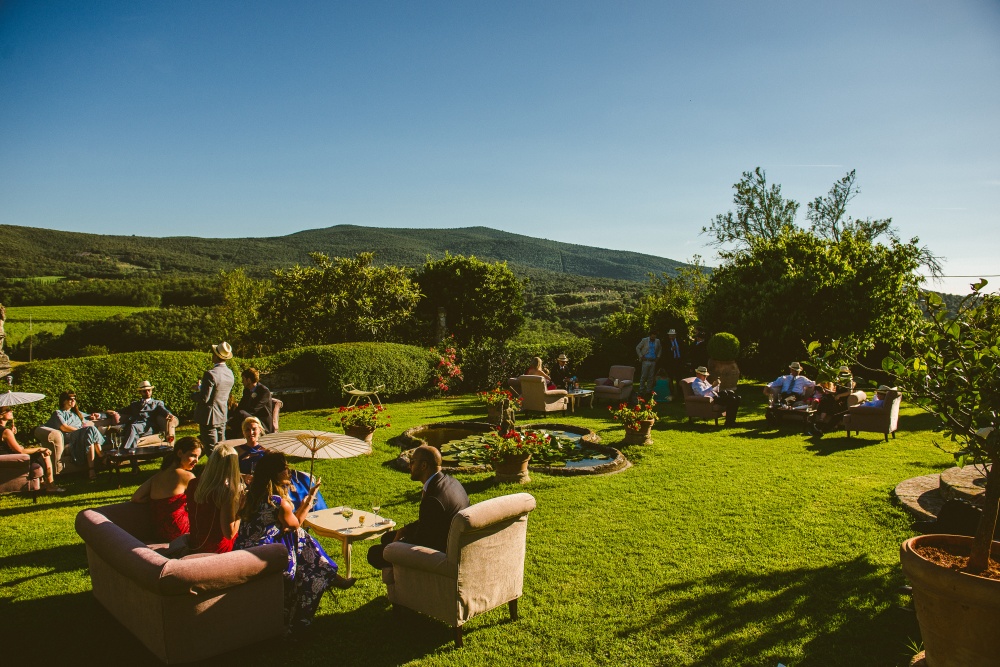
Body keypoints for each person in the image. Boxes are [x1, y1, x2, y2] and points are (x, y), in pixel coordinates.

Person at [235, 452, 355, 630]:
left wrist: (286, 524)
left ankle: (329, 573)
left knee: (296, 534)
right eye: (284, 468)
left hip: (244, 549)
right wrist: (309, 500)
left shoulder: (249, 496)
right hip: (265, 555)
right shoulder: (277, 502)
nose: (288, 471)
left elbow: (278, 525)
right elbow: (296, 523)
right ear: (274, 473)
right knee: (299, 534)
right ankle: (327, 575)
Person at [367, 444, 470, 570]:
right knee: (386, 537)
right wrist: (404, 530)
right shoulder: (450, 482)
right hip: (446, 538)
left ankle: (403, 576)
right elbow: (430, 521)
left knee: (374, 553)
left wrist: (400, 544)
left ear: (424, 466)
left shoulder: (434, 498)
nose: (409, 466)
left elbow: (423, 540)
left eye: (412, 462)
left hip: (439, 553)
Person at [236, 416, 328, 510]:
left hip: (271, 477)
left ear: (260, 430)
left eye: (254, 429)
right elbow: (230, 471)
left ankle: (308, 506)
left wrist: (270, 453)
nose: (251, 432)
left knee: (303, 480)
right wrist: (243, 476)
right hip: (253, 480)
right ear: (243, 432)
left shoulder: (267, 447)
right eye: (247, 430)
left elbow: (279, 464)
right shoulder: (237, 451)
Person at [131, 436, 202, 542]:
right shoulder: (187, 476)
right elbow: (201, 503)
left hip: (159, 531)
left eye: (198, 457)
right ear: (179, 453)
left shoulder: (157, 476)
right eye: (192, 456)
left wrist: (160, 503)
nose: (196, 461)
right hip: (180, 530)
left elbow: (136, 497)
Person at [187, 444, 242, 554]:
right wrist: (241, 509)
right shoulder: (225, 492)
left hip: (195, 543)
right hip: (218, 549)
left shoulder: (193, 484)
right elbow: (229, 534)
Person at [1, 406, 64, 493]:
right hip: (11, 458)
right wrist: (40, 449)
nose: (11, 411)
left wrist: (12, 434)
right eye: (7, 410)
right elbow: (20, 451)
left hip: (5, 457)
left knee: (37, 452)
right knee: (45, 453)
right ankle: (50, 485)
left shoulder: (6, 431)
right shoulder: (6, 431)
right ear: (1, 415)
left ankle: (42, 483)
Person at [45, 391, 106, 480]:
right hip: (70, 436)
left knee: (90, 436)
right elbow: (64, 427)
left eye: (74, 399)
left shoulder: (77, 413)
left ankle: (91, 470)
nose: (73, 401)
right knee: (90, 430)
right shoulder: (58, 413)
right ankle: (102, 456)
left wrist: (94, 416)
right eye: (70, 399)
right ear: (64, 401)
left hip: (84, 436)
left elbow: (90, 416)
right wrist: (82, 431)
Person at [191, 342, 235, 454]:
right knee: (222, 446)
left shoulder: (210, 374)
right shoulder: (229, 373)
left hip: (209, 416)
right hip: (222, 413)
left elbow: (204, 398)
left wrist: (193, 395)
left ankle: (215, 470)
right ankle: (223, 467)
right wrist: (201, 387)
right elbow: (218, 390)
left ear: (216, 356)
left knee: (211, 448)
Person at [107, 381, 176, 450]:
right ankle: (133, 460)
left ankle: (124, 451)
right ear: (140, 392)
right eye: (144, 391)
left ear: (151, 391)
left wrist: (168, 414)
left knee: (132, 427)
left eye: (149, 390)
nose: (147, 392)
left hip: (149, 427)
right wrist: (109, 413)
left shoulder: (157, 403)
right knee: (134, 438)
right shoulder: (135, 404)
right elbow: (122, 411)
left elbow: (163, 410)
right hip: (136, 427)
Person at [226, 367, 273, 439]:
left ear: (249, 380)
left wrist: (237, 416)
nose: (242, 382)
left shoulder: (264, 391)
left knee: (241, 413)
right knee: (236, 411)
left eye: (243, 379)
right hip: (248, 417)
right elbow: (241, 406)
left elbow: (254, 410)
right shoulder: (247, 391)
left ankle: (228, 426)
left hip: (262, 422)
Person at [810, 366, 856, 437]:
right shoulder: (839, 382)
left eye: (844, 373)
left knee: (828, 402)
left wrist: (839, 395)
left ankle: (819, 425)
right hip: (837, 401)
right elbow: (836, 393)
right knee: (826, 399)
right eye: (841, 373)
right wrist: (829, 391)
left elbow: (849, 392)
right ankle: (818, 422)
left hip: (843, 403)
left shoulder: (849, 382)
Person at [635, 331, 663, 395]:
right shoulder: (644, 340)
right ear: (650, 335)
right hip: (646, 360)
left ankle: (648, 390)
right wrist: (641, 356)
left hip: (653, 361)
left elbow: (660, 349)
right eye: (652, 336)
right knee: (644, 376)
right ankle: (641, 390)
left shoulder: (657, 341)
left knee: (651, 376)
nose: (653, 338)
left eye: (654, 337)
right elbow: (638, 347)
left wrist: (658, 357)